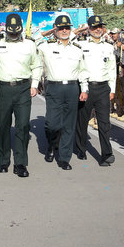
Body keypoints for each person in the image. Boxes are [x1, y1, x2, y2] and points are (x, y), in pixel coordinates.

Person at [0, 13, 42, 177]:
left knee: (23, 126)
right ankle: (3, 161)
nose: (14, 35)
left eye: (16, 32)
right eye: (11, 32)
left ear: (21, 29)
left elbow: (37, 65)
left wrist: (34, 85)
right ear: (6, 29)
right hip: (2, 89)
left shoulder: (29, 44)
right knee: (2, 127)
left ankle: (20, 163)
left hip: (22, 89)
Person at [37, 15, 88, 170]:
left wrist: (84, 89)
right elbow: (32, 39)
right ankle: (52, 146)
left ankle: (65, 158)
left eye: (67, 28)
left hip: (72, 88)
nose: (64, 30)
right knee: (52, 124)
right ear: (56, 29)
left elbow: (83, 70)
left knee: (69, 125)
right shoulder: (47, 46)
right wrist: (49, 31)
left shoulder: (77, 49)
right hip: (54, 87)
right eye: (61, 28)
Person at [74, 15, 117, 166]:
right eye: (94, 27)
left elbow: (112, 70)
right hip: (86, 87)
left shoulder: (108, 47)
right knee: (82, 120)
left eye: (100, 26)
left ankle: (106, 154)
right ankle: (81, 148)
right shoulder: (81, 44)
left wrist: (112, 89)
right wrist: (81, 29)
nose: (98, 29)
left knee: (104, 123)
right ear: (89, 28)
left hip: (103, 88)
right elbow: (68, 40)